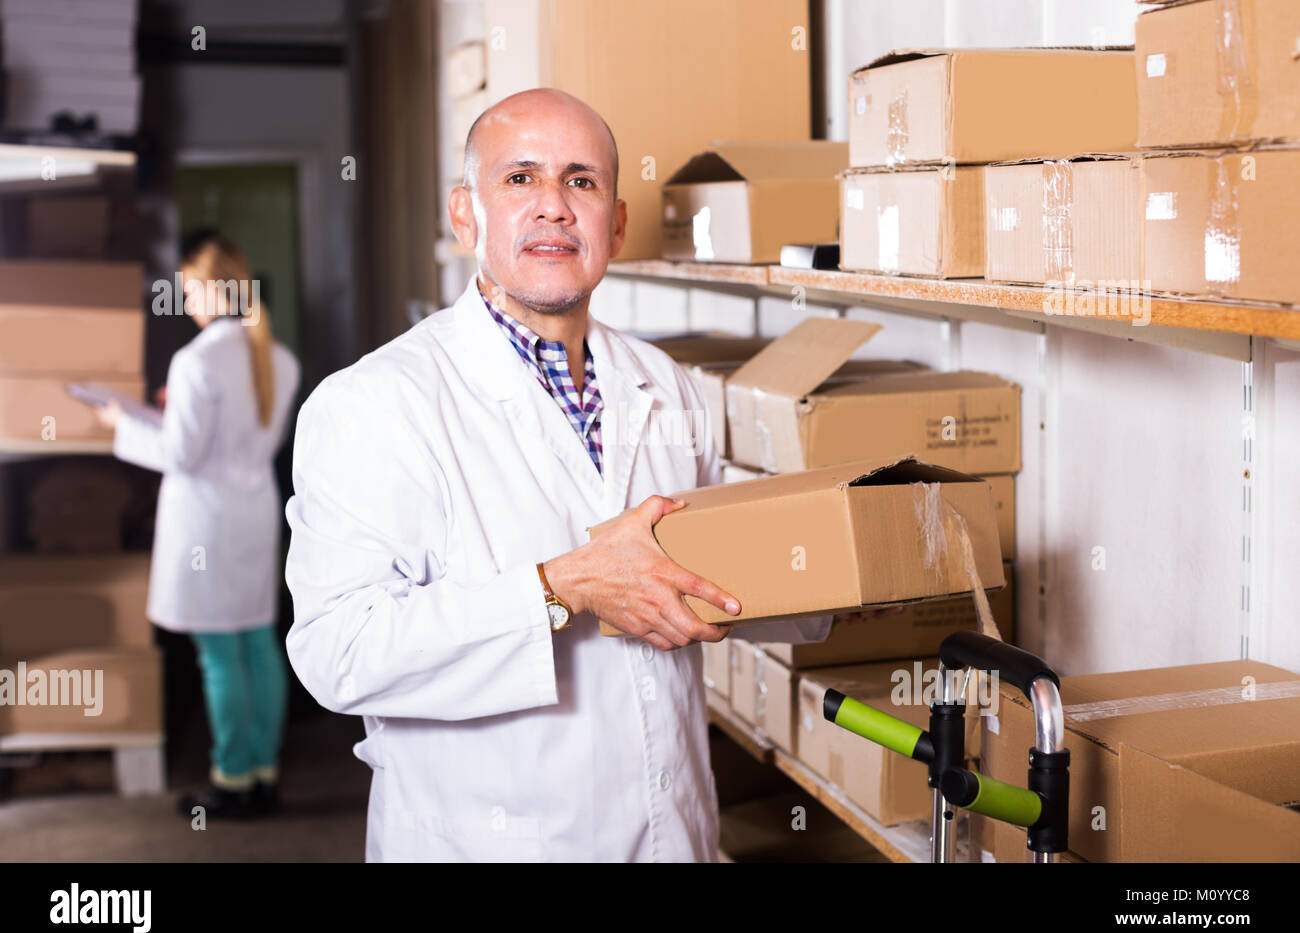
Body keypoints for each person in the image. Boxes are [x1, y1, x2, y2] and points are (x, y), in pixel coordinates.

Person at [283, 87, 830, 862]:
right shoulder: (372, 403)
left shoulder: (666, 385)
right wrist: (558, 587)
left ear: (617, 219)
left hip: (672, 836)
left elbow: (700, 577)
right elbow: (339, 653)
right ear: (464, 214)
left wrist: (835, 592)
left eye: (581, 181)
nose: (554, 207)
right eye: (519, 179)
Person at [97, 234, 301, 820]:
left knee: (218, 653)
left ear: (215, 288)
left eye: (189, 290)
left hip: (206, 524)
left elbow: (182, 455)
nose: (185, 302)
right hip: (254, 512)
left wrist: (121, 422)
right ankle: (263, 773)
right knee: (258, 644)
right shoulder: (279, 358)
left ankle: (232, 780)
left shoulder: (195, 361)